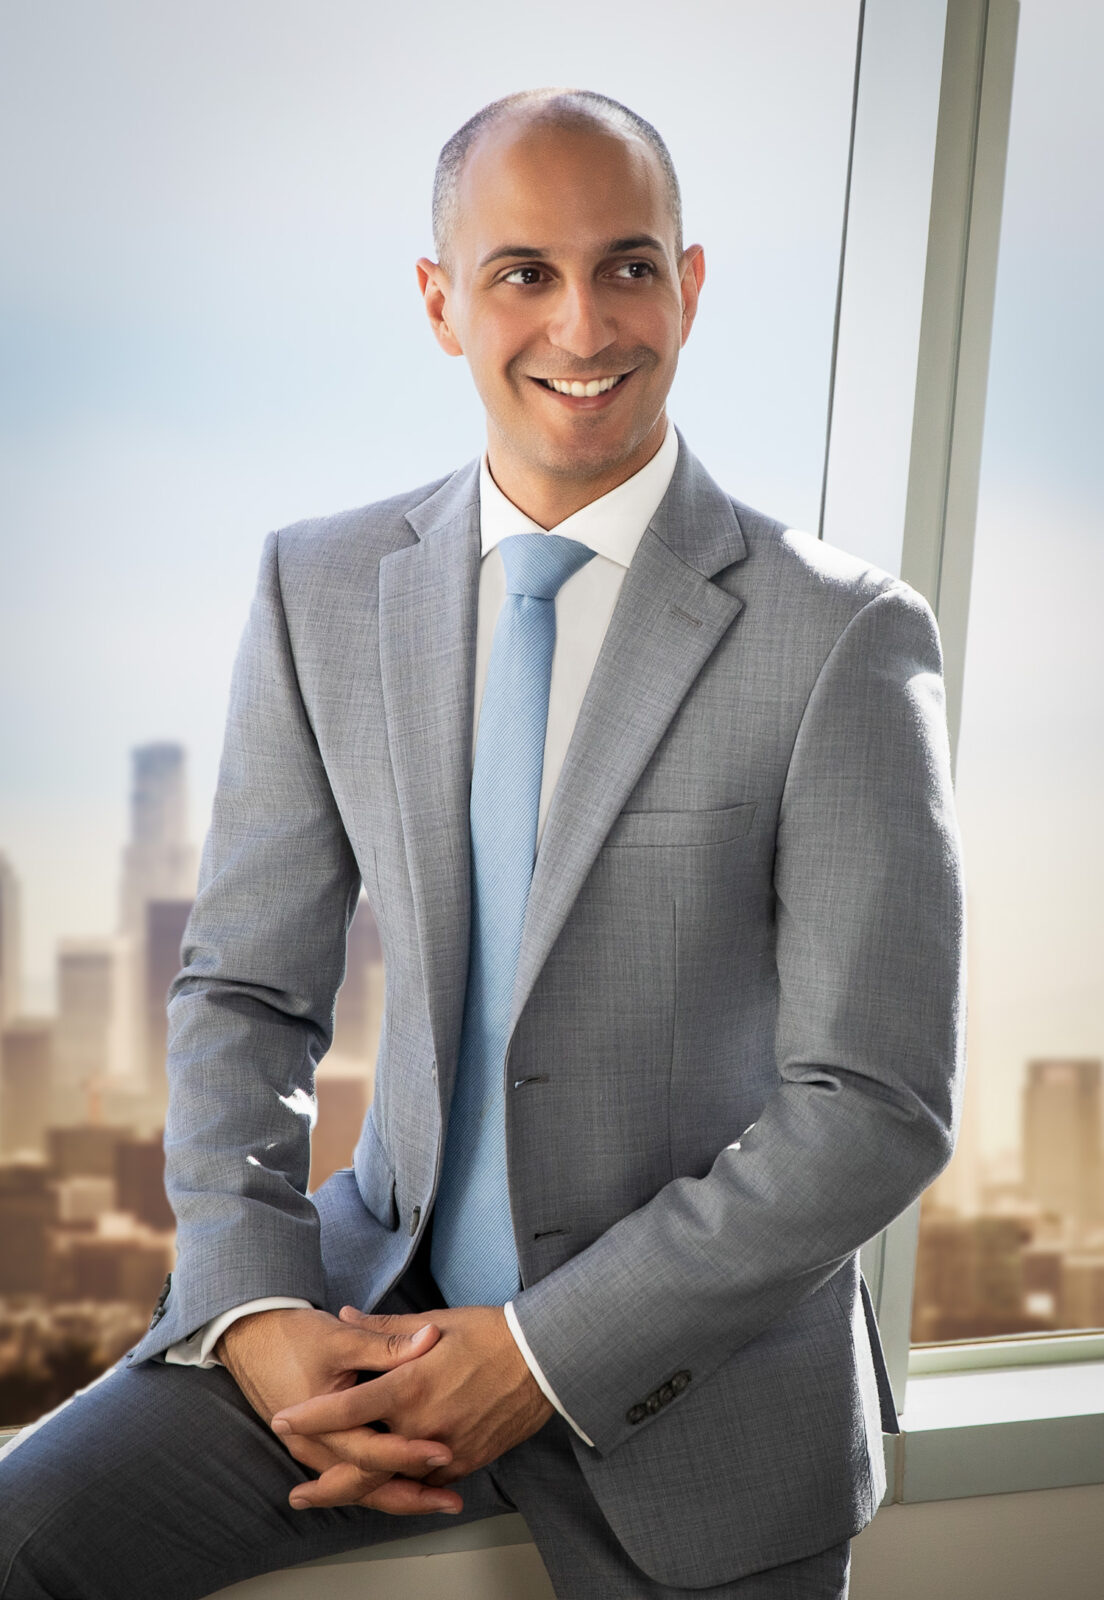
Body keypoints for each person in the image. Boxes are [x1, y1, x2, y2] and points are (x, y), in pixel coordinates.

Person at [0, 89, 964, 1600]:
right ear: (442, 302)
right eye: (524, 273)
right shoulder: (320, 589)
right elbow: (245, 991)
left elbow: (875, 1105)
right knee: (25, 1533)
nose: (584, 325)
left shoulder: (840, 635)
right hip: (367, 1312)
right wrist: (257, 1310)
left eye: (627, 267)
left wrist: (537, 1354)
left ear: (689, 287)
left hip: (697, 1378)